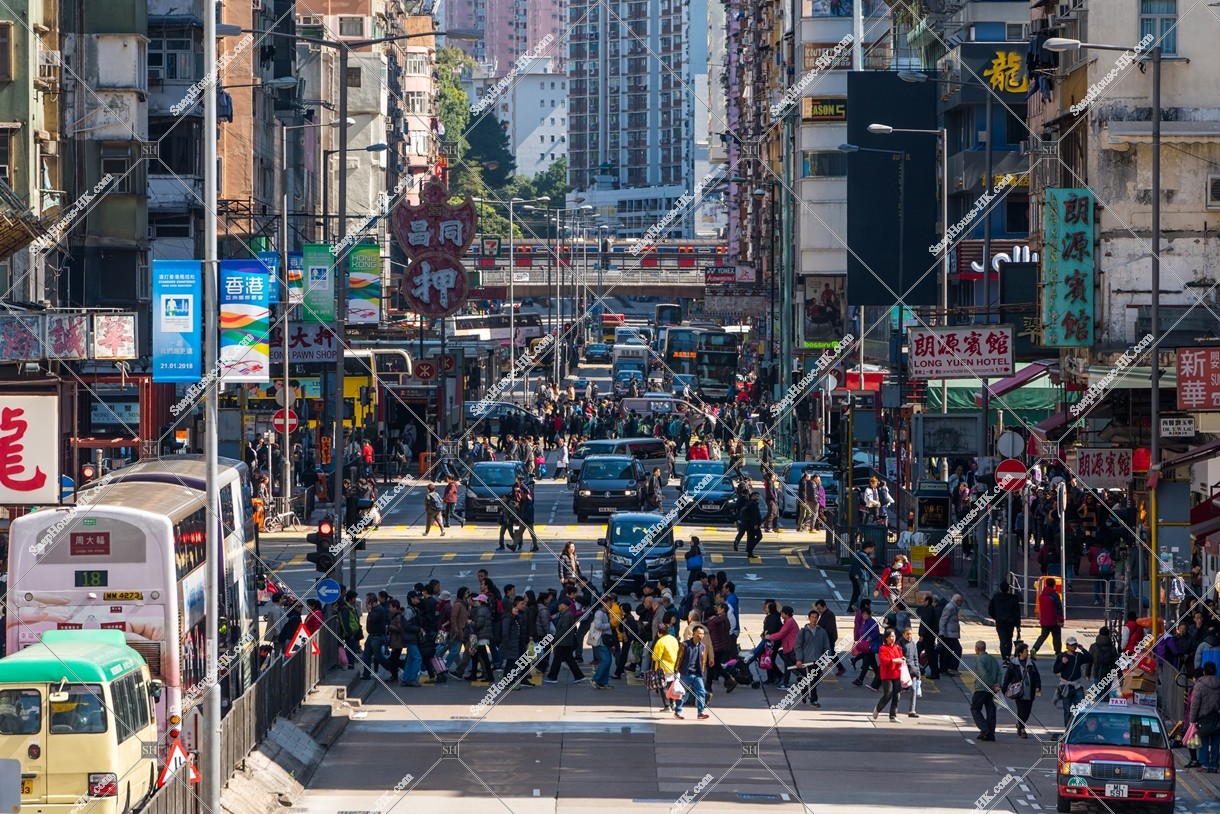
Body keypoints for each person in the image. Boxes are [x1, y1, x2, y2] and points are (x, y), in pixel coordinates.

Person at [673, 624, 713, 720]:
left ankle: (701, 712)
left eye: (702, 634)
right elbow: (679, 658)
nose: (701, 636)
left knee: (701, 692)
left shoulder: (702, 646)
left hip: (697, 674)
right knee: (681, 693)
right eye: (699, 633)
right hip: (685, 673)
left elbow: (703, 660)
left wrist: (702, 671)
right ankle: (678, 711)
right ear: (694, 633)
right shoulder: (685, 645)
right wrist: (676, 670)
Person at [1052, 636, 1093, 730]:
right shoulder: (1061, 656)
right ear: (1067, 646)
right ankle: (1067, 730)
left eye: (1075, 645)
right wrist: (1062, 663)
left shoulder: (1079, 656)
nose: (1074, 647)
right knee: (1067, 710)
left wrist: (1083, 649)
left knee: (1082, 709)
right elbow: (1055, 670)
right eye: (1071, 645)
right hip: (1066, 686)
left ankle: (1080, 728)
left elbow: (1090, 659)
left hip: (1077, 686)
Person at [793, 609, 831, 708]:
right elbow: (798, 646)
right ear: (809, 618)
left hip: (818, 660)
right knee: (812, 680)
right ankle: (813, 700)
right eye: (812, 617)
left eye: (816, 618)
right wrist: (799, 659)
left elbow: (826, 646)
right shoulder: (803, 632)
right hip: (807, 660)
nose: (814, 619)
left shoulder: (822, 632)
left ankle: (804, 690)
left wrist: (827, 658)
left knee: (817, 679)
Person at [544, 599, 587, 684]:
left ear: (564, 605)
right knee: (569, 659)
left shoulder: (567, 615)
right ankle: (579, 676)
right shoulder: (566, 614)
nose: (558, 606)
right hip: (566, 641)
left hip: (563, 641)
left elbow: (564, 629)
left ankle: (552, 677)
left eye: (560, 605)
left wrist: (556, 638)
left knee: (557, 659)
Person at [1189, 661, 1220, 773]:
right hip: (1216, 717)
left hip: (1203, 717)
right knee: (1216, 742)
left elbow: (1195, 704)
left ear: (1204, 671)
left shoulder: (1200, 685)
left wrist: (1192, 719)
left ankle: (1205, 764)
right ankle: (1214, 765)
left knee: (1204, 742)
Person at [1006, 642, 1041, 738]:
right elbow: (1007, 677)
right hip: (1019, 691)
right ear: (1020, 653)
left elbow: (1036, 676)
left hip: (1029, 691)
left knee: (1027, 711)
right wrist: (1004, 689)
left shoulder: (1031, 663)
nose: (1028, 653)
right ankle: (1022, 729)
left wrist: (1038, 686)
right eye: (1026, 651)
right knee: (1021, 710)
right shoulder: (1014, 664)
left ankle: (1019, 724)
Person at [871, 629, 905, 722]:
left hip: (897, 673)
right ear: (886, 638)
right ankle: (878, 708)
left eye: (893, 636)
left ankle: (893, 716)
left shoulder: (897, 647)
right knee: (888, 695)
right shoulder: (883, 648)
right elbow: (883, 660)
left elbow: (901, 656)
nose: (893, 638)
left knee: (897, 695)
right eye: (890, 636)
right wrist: (894, 660)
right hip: (887, 675)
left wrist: (902, 658)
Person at [971, 640, 1002, 741]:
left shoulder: (980, 660)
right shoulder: (992, 659)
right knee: (991, 711)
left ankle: (985, 728)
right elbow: (999, 672)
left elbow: (983, 675)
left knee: (975, 709)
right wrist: (997, 684)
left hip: (982, 688)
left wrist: (992, 685)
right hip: (992, 690)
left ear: (977, 649)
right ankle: (990, 734)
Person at [988, 582, 1022, 663]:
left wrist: (995, 617)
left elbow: (990, 609)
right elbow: (1017, 613)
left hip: (1000, 622)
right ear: (1008, 589)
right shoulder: (1013, 599)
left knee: (1002, 640)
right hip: (1010, 622)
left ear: (1000, 588)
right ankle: (1008, 656)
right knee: (1009, 639)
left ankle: (1004, 657)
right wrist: (1018, 625)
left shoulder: (996, 597)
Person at [1032, 578, 1065, 657]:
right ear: (1054, 585)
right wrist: (1061, 620)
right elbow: (1058, 608)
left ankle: (1034, 648)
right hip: (1054, 620)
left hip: (1044, 620)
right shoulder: (1055, 595)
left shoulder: (1042, 595)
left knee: (1043, 636)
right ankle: (1057, 652)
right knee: (1056, 636)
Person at [851, 606, 882, 688]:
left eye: (865, 614)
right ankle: (880, 678)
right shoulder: (864, 622)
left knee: (866, 663)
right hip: (865, 646)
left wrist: (870, 638)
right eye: (863, 614)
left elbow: (876, 633)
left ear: (869, 615)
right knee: (873, 664)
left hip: (870, 646)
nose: (864, 616)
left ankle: (860, 680)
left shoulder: (872, 622)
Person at [939, 594, 963, 676]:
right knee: (958, 650)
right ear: (957, 601)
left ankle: (946, 668)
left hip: (950, 633)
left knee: (948, 652)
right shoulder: (950, 607)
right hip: (949, 634)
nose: (961, 603)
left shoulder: (953, 607)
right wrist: (941, 633)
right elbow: (943, 620)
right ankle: (952, 668)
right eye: (961, 601)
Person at [847, 541, 875, 613]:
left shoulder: (859, 554)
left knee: (857, 592)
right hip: (860, 576)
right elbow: (870, 564)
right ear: (869, 548)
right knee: (862, 593)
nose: (872, 551)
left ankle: (851, 608)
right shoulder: (863, 555)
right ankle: (857, 606)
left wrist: (870, 577)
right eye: (872, 549)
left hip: (856, 575)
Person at [900, 627, 921, 717]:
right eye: (907, 634)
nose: (909, 636)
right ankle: (893, 710)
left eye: (910, 634)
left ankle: (912, 710)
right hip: (902, 669)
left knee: (914, 689)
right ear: (903, 634)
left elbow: (916, 658)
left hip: (912, 670)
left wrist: (918, 671)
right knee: (897, 690)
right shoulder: (899, 644)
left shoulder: (913, 644)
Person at [743, 492, 765, 558]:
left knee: (751, 537)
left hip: (749, 524)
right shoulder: (752, 504)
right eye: (756, 496)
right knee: (759, 536)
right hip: (753, 524)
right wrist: (756, 524)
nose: (757, 497)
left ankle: (750, 553)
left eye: (758, 496)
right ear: (752, 496)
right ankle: (749, 548)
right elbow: (753, 515)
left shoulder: (750, 503)